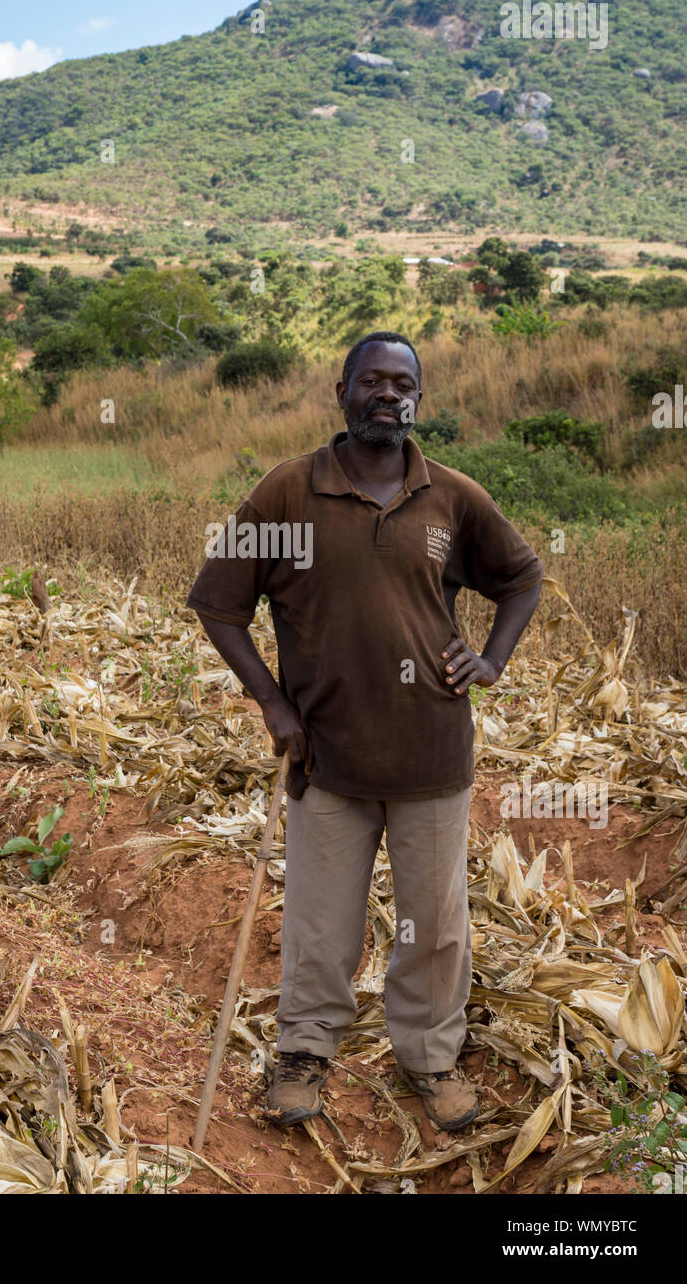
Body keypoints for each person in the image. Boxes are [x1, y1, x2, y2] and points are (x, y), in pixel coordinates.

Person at [186, 331, 544, 1132]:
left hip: (430, 753)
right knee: (321, 920)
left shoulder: (451, 496)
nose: (388, 394)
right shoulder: (285, 493)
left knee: (434, 923)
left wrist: (490, 659)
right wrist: (274, 706)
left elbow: (521, 577)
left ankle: (430, 1058)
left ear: (418, 397)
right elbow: (218, 604)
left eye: (402, 383)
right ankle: (305, 1052)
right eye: (372, 381)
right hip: (327, 755)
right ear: (341, 390)